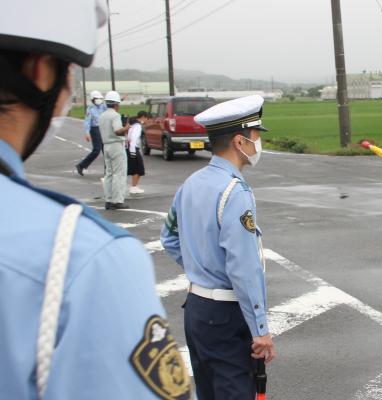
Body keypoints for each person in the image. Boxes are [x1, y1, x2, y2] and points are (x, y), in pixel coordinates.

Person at [0, 1, 191, 399]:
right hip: (115, 155)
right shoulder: (79, 257)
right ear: (40, 70)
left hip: (110, 153)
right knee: (114, 178)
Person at [161, 95, 275, 400]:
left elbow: (169, 237)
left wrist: (200, 268)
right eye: (255, 137)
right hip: (227, 313)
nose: (257, 144)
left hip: (196, 309)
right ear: (240, 142)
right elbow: (244, 267)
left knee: (208, 392)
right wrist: (261, 330)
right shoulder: (234, 192)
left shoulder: (191, 183)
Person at [100, 89, 130, 209]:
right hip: (116, 145)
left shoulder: (102, 115)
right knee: (119, 173)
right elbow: (118, 130)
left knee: (109, 173)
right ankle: (117, 201)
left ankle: (108, 199)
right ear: (116, 104)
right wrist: (127, 127)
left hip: (106, 145)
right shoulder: (115, 115)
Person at [75, 90, 106, 176]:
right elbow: (87, 122)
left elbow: (111, 106)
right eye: (97, 99)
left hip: (103, 128)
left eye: (100, 98)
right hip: (95, 129)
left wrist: (120, 99)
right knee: (96, 150)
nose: (99, 100)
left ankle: (108, 170)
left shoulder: (103, 106)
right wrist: (87, 133)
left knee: (106, 149)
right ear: (92, 100)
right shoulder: (90, 109)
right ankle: (81, 165)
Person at [127, 111, 148, 194]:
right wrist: (132, 152)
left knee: (136, 168)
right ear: (143, 117)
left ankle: (134, 186)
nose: (146, 120)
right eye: (146, 118)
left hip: (132, 148)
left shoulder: (133, 125)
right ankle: (134, 187)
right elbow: (133, 139)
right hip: (133, 148)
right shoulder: (138, 126)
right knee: (138, 169)